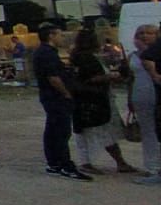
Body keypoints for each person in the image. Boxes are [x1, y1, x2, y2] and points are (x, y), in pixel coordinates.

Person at [69, 29, 135, 175]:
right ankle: (91, 162)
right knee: (100, 131)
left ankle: (117, 162)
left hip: (90, 98)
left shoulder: (79, 56)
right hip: (94, 99)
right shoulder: (86, 58)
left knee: (96, 132)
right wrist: (113, 76)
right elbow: (91, 78)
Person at [33, 24, 91, 181]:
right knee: (61, 131)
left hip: (50, 97)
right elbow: (53, 77)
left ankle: (54, 163)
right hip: (56, 97)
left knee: (52, 130)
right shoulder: (47, 54)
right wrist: (66, 93)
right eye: (60, 35)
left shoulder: (44, 52)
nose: (62, 38)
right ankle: (65, 165)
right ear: (51, 36)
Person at [130, 25, 161, 184]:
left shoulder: (154, 53)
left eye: (148, 33)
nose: (144, 36)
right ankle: (151, 166)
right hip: (140, 94)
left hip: (155, 92)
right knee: (147, 132)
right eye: (140, 33)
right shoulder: (134, 54)